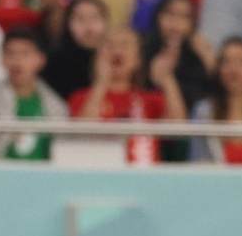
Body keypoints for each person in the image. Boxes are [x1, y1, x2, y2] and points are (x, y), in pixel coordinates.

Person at [69, 23, 187, 163]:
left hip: (143, 178)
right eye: (110, 45)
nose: (117, 50)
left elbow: (178, 128)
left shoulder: (149, 99)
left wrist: (167, 79)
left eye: (125, 45)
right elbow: (82, 134)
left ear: (137, 60)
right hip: (99, 176)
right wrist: (101, 82)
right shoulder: (81, 97)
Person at [0, 28, 68, 160]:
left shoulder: (55, 105)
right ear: (2, 60)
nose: (17, 60)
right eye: (10, 53)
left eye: (25, 53)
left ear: (40, 59)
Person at [43, 0, 111, 101]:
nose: (89, 27)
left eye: (95, 18)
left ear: (106, 22)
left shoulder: (115, 58)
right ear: (68, 24)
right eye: (80, 19)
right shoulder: (54, 63)